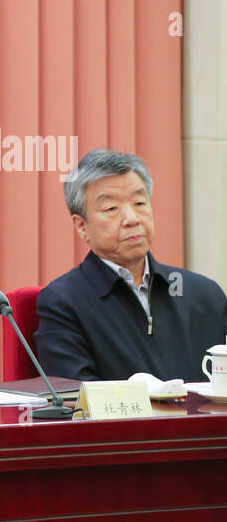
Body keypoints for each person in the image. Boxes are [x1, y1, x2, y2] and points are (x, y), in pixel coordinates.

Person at [35, 148, 227, 382]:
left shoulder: (204, 294)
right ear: (82, 226)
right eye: (111, 209)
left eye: (139, 202)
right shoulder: (64, 302)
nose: (132, 219)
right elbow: (76, 399)